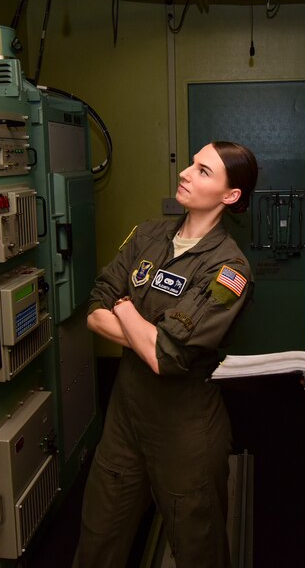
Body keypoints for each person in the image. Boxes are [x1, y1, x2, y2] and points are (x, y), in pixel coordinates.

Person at [74, 141, 258, 568]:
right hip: (125, 417)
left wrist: (123, 306)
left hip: (185, 432)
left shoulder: (229, 270)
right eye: (191, 164)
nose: (186, 173)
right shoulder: (148, 235)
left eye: (203, 171)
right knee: (99, 537)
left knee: (198, 548)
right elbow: (93, 309)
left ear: (230, 196)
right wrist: (145, 333)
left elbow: (166, 356)